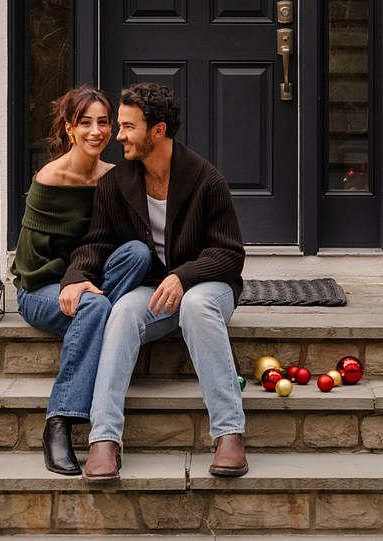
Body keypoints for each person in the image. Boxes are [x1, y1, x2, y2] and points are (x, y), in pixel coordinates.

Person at [60, 82, 247, 483]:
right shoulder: (117, 184)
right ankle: (104, 439)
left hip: (209, 287)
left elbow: (230, 254)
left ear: (157, 131)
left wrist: (185, 275)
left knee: (196, 306)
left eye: (128, 127)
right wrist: (76, 277)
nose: (118, 136)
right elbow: (97, 242)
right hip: (156, 288)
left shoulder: (206, 180)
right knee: (123, 311)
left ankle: (230, 433)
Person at [12, 86, 152, 476]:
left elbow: (119, 244)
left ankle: (94, 319)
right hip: (41, 288)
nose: (96, 131)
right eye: (85, 123)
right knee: (94, 305)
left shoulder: (114, 177)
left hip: (91, 281)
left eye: (103, 122)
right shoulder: (50, 178)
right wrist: (70, 283)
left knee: (136, 255)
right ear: (70, 129)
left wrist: (85, 278)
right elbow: (31, 261)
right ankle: (58, 422)